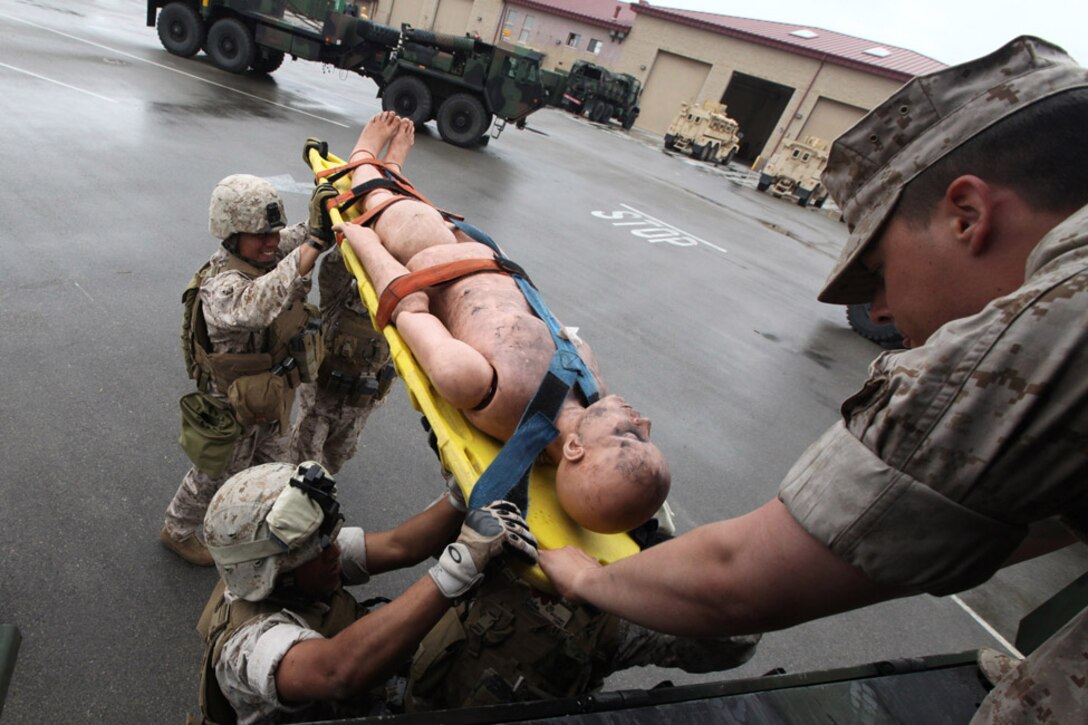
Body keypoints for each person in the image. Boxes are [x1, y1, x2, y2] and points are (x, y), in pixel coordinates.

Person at [538, 36, 1088, 723]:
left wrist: (588, 576)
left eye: (881, 269)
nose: (879, 309)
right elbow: (1028, 520)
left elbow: (739, 581)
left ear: (966, 216)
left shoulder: (1060, 312)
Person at [334, 112, 670, 534]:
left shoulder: (485, 390)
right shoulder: (590, 393)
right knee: (424, 209)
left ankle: (365, 158)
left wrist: (366, 244)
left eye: (630, 436)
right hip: (492, 259)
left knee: (399, 209)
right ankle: (396, 171)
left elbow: (409, 307)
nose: (644, 422)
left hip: (428, 259)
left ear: (575, 448)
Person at [195, 460, 537, 724]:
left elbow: (400, 546)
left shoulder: (299, 562)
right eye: (317, 550)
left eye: (327, 539)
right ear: (272, 576)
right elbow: (335, 672)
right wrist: (461, 563)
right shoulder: (247, 646)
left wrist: (459, 496)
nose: (333, 553)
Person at [163, 174, 337, 566]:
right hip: (231, 404)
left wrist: (323, 218)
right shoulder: (221, 287)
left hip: (269, 396)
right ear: (231, 235)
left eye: (272, 232)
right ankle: (176, 530)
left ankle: (256, 524)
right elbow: (259, 303)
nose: (272, 241)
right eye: (260, 235)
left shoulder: (266, 254)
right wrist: (311, 245)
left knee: (277, 464)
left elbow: (300, 236)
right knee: (215, 474)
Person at [287, 243, 395, 475]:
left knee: (336, 458)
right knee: (304, 463)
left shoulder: (396, 310)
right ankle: (290, 499)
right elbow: (334, 267)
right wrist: (360, 236)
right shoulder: (338, 298)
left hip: (358, 403)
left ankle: (316, 490)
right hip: (321, 400)